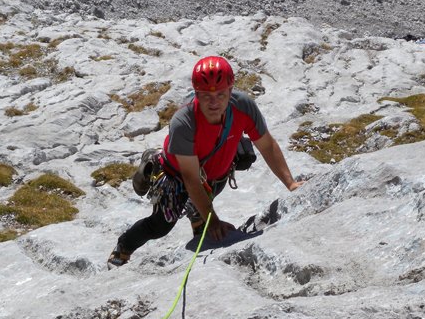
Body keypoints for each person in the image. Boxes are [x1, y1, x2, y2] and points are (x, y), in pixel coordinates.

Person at [108, 55, 305, 267]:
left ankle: (198, 214)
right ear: (196, 93)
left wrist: (291, 183)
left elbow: (267, 145)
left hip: (215, 175)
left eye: (221, 94)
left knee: (205, 206)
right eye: (206, 95)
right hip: (177, 176)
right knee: (161, 225)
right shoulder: (184, 122)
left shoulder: (244, 107)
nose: (214, 102)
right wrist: (213, 221)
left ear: (231, 90)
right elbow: (191, 180)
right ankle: (123, 247)